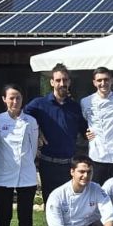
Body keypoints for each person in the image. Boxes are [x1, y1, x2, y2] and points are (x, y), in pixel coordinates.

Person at [0, 85, 39, 226]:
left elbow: (33, 148)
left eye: (18, 98)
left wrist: (24, 163)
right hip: (3, 175)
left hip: (26, 175)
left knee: (25, 217)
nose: (15, 101)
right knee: (4, 217)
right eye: (11, 98)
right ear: (4, 99)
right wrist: (0, 167)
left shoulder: (31, 121)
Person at [24, 63, 88, 201]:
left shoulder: (75, 107)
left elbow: (85, 130)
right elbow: (22, 118)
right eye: (58, 80)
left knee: (70, 203)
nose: (62, 83)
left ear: (69, 82)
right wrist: (37, 131)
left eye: (65, 80)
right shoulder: (39, 104)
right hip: (48, 164)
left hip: (69, 165)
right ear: (52, 82)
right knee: (51, 203)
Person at [82, 66, 113, 185]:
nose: (103, 83)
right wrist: (85, 132)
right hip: (97, 155)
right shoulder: (86, 101)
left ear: (111, 80)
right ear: (94, 82)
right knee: (97, 191)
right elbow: (82, 123)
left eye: (106, 80)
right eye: (99, 80)